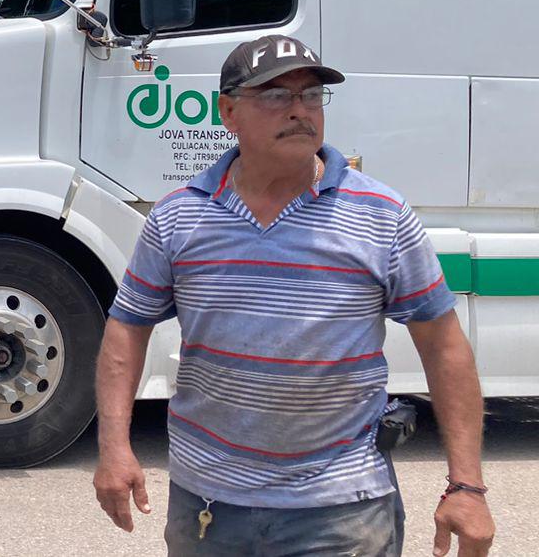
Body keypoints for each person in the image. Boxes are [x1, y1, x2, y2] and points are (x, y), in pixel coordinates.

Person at [93, 35, 494, 557]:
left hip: (342, 511)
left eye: (310, 96)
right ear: (229, 112)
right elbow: (127, 327)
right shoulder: (179, 217)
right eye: (276, 96)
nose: (300, 111)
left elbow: (444, 347)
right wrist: (114, 448)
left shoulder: (382, 215)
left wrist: (467, 486)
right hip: (208, 507)